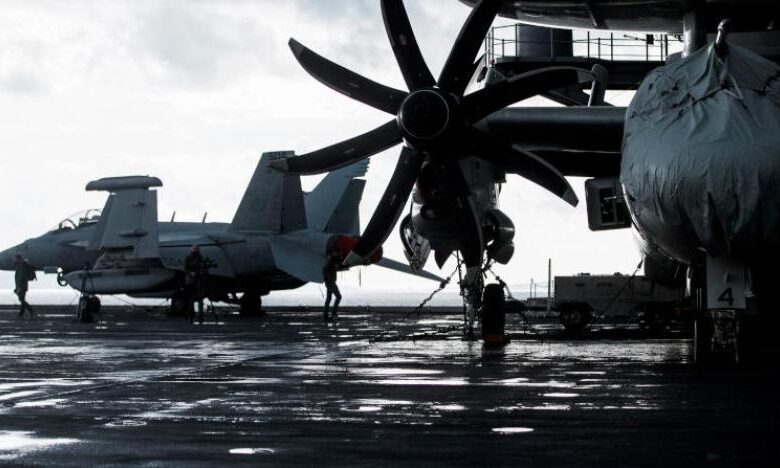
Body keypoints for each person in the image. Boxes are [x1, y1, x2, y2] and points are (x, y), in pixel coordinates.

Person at [183, 245, 211, 324]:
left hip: (199, 280)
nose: (195, 251)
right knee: (191, 297)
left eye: (196, 249)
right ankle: (191, 314)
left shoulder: (200, 259)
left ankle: (199, 315)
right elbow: (185, 269)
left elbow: (205, 269)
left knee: (199, 297)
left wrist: (201, 272)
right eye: (194, 249)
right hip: (190, 281)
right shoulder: (188, 259)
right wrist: (191, 273)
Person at [322, 251, 342, 322]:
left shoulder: (333, 259)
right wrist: (327, 278)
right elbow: (324, 269)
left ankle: (325, 317)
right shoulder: (330, 259)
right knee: (339, 297)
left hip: (330, 282)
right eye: (338, 252)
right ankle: (334, 314)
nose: (339, 253)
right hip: (330, 282)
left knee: (329, 299)